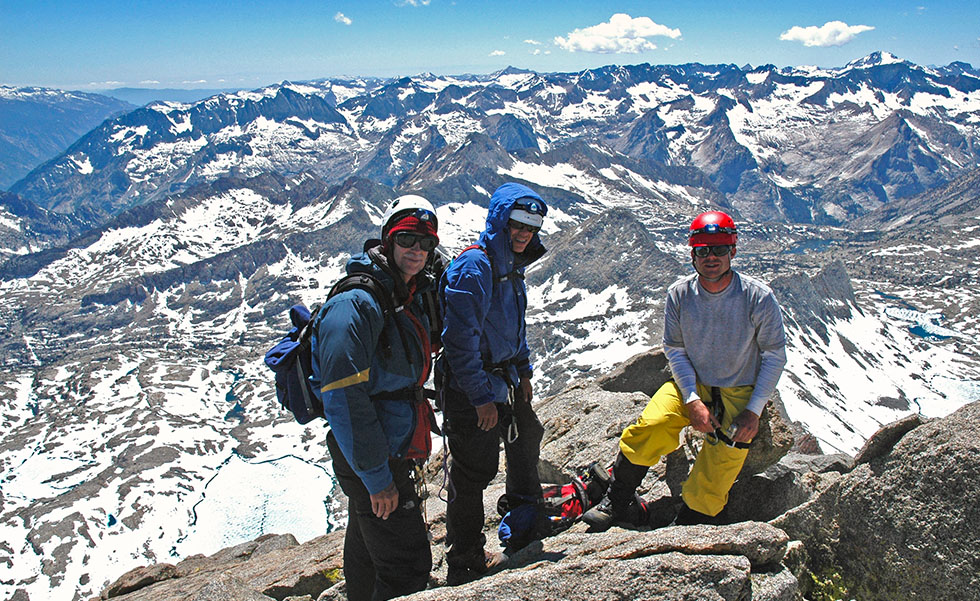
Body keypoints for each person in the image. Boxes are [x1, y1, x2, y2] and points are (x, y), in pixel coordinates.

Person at [583, 210, 787, 529]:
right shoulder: (679, 294)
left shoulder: (758, 297)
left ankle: (691, 522)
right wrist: (692, 400)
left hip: (739, 390)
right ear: (693, 253)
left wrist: (754, 411)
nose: (711, 257)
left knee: (723, 460)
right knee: (652, 425)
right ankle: (618, 498)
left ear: (733, 251)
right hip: (690, 383)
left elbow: (775, 355)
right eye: (703, 250)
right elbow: (675, 350)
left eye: (719, 249)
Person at [311, 194, 440, 601]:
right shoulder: (357, 305)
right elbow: (344, 399)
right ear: (387, 241)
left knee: (368, 551)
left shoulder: (401, 293)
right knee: (407, 565)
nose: (417, 250)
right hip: (378, 454)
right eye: (407, 239)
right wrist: (378, 478)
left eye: (425, 242)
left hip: (388, 448)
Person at [438, 182, 549, 585]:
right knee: (473, 471)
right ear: (501, 221)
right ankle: (464, 559)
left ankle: (524, 520)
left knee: (527, 436)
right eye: (518, 224)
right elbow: (459, 344)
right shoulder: (477, 267)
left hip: (502, 379)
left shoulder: (509, 265)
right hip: (474, 390)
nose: (524, 234)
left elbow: (512, 326)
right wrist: (482, 398)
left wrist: (523, 371)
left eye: (531, 228)